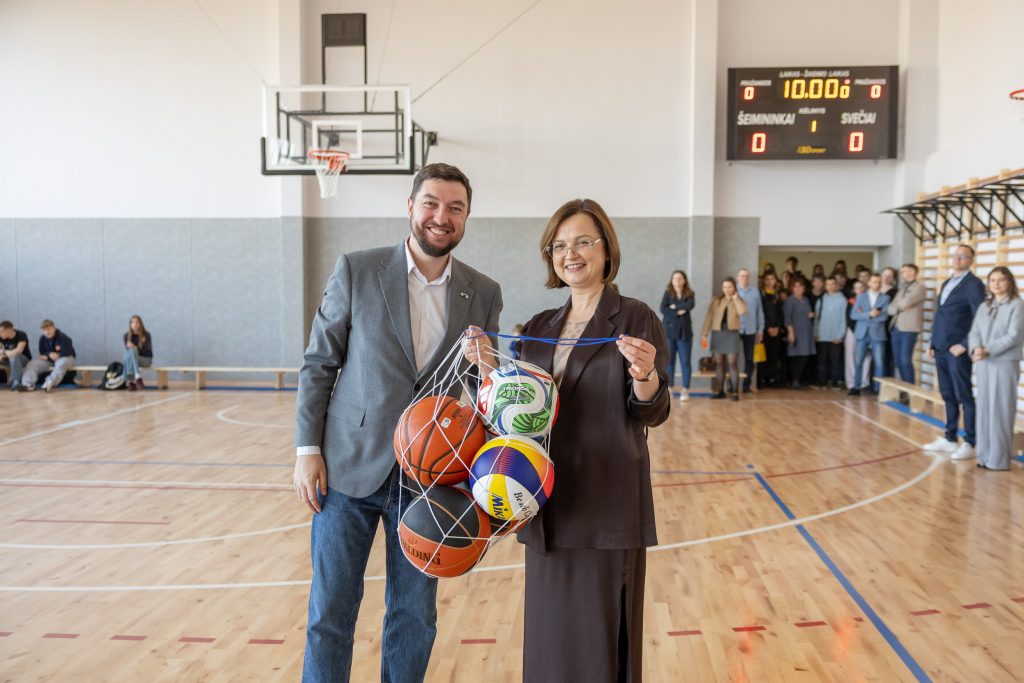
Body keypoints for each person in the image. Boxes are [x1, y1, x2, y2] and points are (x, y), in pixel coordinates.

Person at [293, 163, 503, 683]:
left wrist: (488, 370)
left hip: (430, 479)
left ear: (467, 217)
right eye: (431, 203)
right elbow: (319, 363)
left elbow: (482, 394)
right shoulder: (356, 270)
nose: (441, 216)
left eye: (455, 208)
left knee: (414, 616)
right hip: (347, 468)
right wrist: (307, 451)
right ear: (411, 207)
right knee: (330, 612)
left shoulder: (483, 292)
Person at [516, 198, 669, 683]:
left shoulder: (636, 318)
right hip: (546, 504)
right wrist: (486, 371)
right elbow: (516, 413)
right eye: (559, 246)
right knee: (550, 647)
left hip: (605, 507)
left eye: (583, 241)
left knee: (600, 648)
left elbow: (653, 410)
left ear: (606, 250)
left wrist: (645, 376)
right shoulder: (538, 327)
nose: (571, 254)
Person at [923, 244, 985, 460]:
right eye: (955, 255)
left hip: (957, 350)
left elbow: (980, 317)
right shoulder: (947, 282)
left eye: (963, 256)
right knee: (947, 394)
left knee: (964, 395)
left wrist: (965, 344)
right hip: (940, 347)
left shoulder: (974, 285)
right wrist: (932, 342)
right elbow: (940, 315)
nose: (957, 259)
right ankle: (950, 438)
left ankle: (970, 441)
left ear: (971, 261)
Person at [969, 267, 1024, 470]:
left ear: (1009, 282)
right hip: (984, 362)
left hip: (1004, 362)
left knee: (1001, 410)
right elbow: (974, 331)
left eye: (1001, 280)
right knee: (984, 408)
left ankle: (998, 460)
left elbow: (1014, 335)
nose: (996, 284)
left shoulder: (1017, 305)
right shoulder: (985, 306)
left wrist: (988, 349)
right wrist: (976, 348)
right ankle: (984, 456)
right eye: (992, 280)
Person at [701, 277, 747, 400]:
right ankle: (720, 391)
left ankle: (735, 392)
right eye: (725, 287)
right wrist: (704, 333)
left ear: (734, 288)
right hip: (718, 333)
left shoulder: (738, 300)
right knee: (719, 363)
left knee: (732, 363)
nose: (727, 289)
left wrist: (735, 298)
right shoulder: (716, 300)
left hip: (732, 334)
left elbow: (742, 312)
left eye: (730, 286)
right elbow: (709, 316)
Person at [849, 273, 891, 395]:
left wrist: (871, 316)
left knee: (879, 362)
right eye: (874, 282)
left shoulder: (885, 298)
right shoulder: (861, 297)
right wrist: (868, 314)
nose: (876, 284)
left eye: (879, 282)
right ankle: (856, 386)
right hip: (862, 333)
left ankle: (878, 388)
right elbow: (853, 315)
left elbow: (885, 317)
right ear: (869, 283)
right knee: (858, 361)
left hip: (878, 333)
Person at [887, 263, 926, 383]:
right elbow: (890, 309)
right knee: (898, 361)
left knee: (905, 360)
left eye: (904, 271)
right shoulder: (902, 289)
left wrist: (899, 305)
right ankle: (904, 387)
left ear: (912, 272)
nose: (902, 274)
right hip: (896, 328)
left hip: (909, 329)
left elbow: (905, 303)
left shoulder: (920, 287)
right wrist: (899, 306)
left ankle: (909, 389)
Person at [660, 269, 695, 401]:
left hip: (685, 333)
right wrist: (677, 311)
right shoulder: (667, 293)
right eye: (675, 278)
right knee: (669, 362)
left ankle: (685, 389)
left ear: (684, 280)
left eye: (680, 278)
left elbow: (689, 305)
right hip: (669, 332)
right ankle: (669, 388)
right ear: (672, 280)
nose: (677, 280)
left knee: (685, 361)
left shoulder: (690, 293)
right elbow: (663, 308)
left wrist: (674, 306)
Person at [22, 320, 76, 392]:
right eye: (44, 330)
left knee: (61, 363)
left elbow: (67, 352)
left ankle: (49, 383)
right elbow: (42, 353)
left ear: (54, 328)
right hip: (49, 360)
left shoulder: (63, 337)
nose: (47, 332)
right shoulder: (42, 338)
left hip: (66, 358)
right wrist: (49, 355)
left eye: (49, 329)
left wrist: (58, 355)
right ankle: (27, 385)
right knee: (32, 364)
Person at [814, 276, 847, 388]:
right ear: (825, 286)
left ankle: (834, 382)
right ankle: (822, 381)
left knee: (835, 361)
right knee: (822, 360)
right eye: (828, 284)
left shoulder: (842, 300)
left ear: (837, 285)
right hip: (822, 335)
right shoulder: (821, 300)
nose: (831, 286)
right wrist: (816, 333)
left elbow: (844, 319)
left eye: (833, 284)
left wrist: (840, 335)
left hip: (836, 336)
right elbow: (817, 318)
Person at [783, 278, 815, 389]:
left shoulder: (806, 299)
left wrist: (811, 314)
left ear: (804, 288)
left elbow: (808, 312)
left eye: (800, 286)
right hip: (796, 330)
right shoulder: (790, 301)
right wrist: (791, 332)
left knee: (805, 355)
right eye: (795, 286)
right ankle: (795, 380)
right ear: (792, 288)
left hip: (806, 331)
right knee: (796, 356)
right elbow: (787, 318)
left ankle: (797, 379)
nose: (798, 288)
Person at [735, 268, 764, 393]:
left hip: (751, 330)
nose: (744, 278)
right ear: (737, 278)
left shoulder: (755, 291)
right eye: (742, 276)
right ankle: (732, 385)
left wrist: (760, 330)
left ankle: (746, 385)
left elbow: (759, 311)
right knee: (733, 359)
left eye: (746, 276)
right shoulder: (733, 291)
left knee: (750, 359)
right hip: (735, 330)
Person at [759, 271, 786, 388]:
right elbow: (761, 313)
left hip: (777, 331)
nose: (770, 281)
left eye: (772, 279)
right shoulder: (761, 295)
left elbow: (781, 314)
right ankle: (761, 379)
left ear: (776, 281)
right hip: (765, 330)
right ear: (764, 281)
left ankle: (773, 379)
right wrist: (768, 327)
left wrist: (778, 327)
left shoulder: (778, 295)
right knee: (763, 356)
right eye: (767, 279)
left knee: (774, 356)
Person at [844, 280, 871, 390]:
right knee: (851, 357)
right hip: (852, 331)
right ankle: (851, 382)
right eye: (857, 288)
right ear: (854, 290)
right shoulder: (851, 301)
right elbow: (849, 318)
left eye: (862, 287)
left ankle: (864, 382)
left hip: (866, 332)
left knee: (867, 357)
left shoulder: (870, 301)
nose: (860, 289)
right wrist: (857, 331)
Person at [121, 315, 153, 391]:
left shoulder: (146, 335)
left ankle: (131, 381)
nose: (135, 324)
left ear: (140, 324)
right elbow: (130, 355)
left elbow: (148, 352)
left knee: (131, 352)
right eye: (132, 322)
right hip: (134, 360)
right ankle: (137, 377)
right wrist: (134, 348)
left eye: (137, 322)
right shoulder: (126, 336)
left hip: (146, 360)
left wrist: (135, 347)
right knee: (128, 355)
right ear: (130, 324)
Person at [0, 321, 32, 391]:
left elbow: (18, 351)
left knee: (15, 357)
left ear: (9, 330)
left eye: (2, 331)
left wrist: (5, 353)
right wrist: (3, 354)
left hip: (23, 359)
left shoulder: (21, 335)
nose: (0, 333)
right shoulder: (1, 337)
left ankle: (15, 382)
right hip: (8, 358)